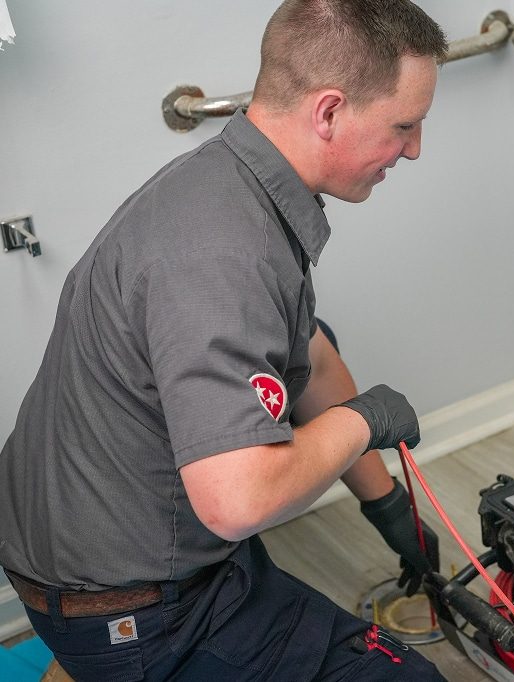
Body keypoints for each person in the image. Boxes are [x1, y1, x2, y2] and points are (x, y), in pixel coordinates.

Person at [0, 1, 449, 679]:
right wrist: (362, 422)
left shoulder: (227, 182)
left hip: (80, 537)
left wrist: (386, 507)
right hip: (129, 610)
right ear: (328, 112)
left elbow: (310, 353)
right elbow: (239, 502)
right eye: (404, 125)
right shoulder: (223, 259)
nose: (413, 149)